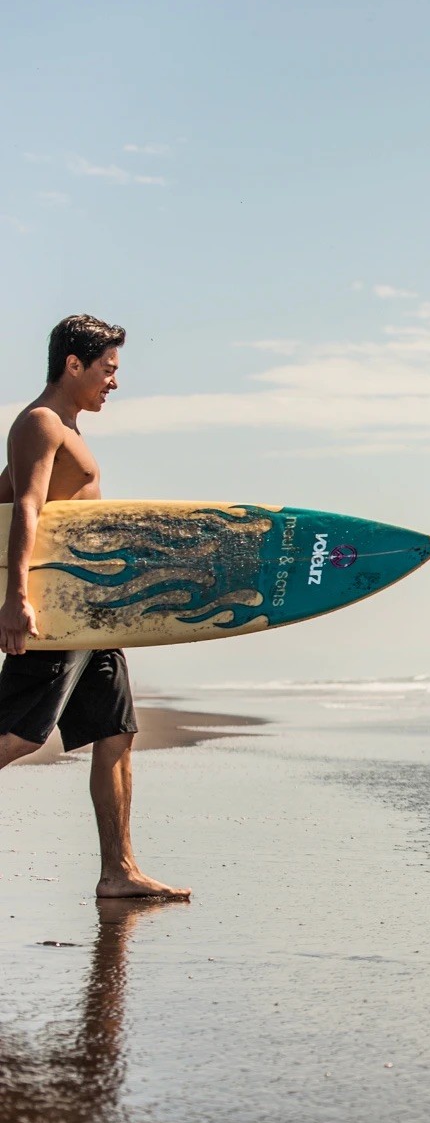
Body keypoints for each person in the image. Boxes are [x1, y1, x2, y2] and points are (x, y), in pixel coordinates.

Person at [0, 315, 188, 899]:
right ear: (72, 365)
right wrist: (15, 600)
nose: (114, 383)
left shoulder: (64, 429)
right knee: (18, 735)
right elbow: (27, 509)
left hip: (97, 612)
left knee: (115, 732)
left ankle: (119, 871)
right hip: (57, 607)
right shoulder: (39, 423)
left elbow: (4, 495)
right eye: (108, 370)